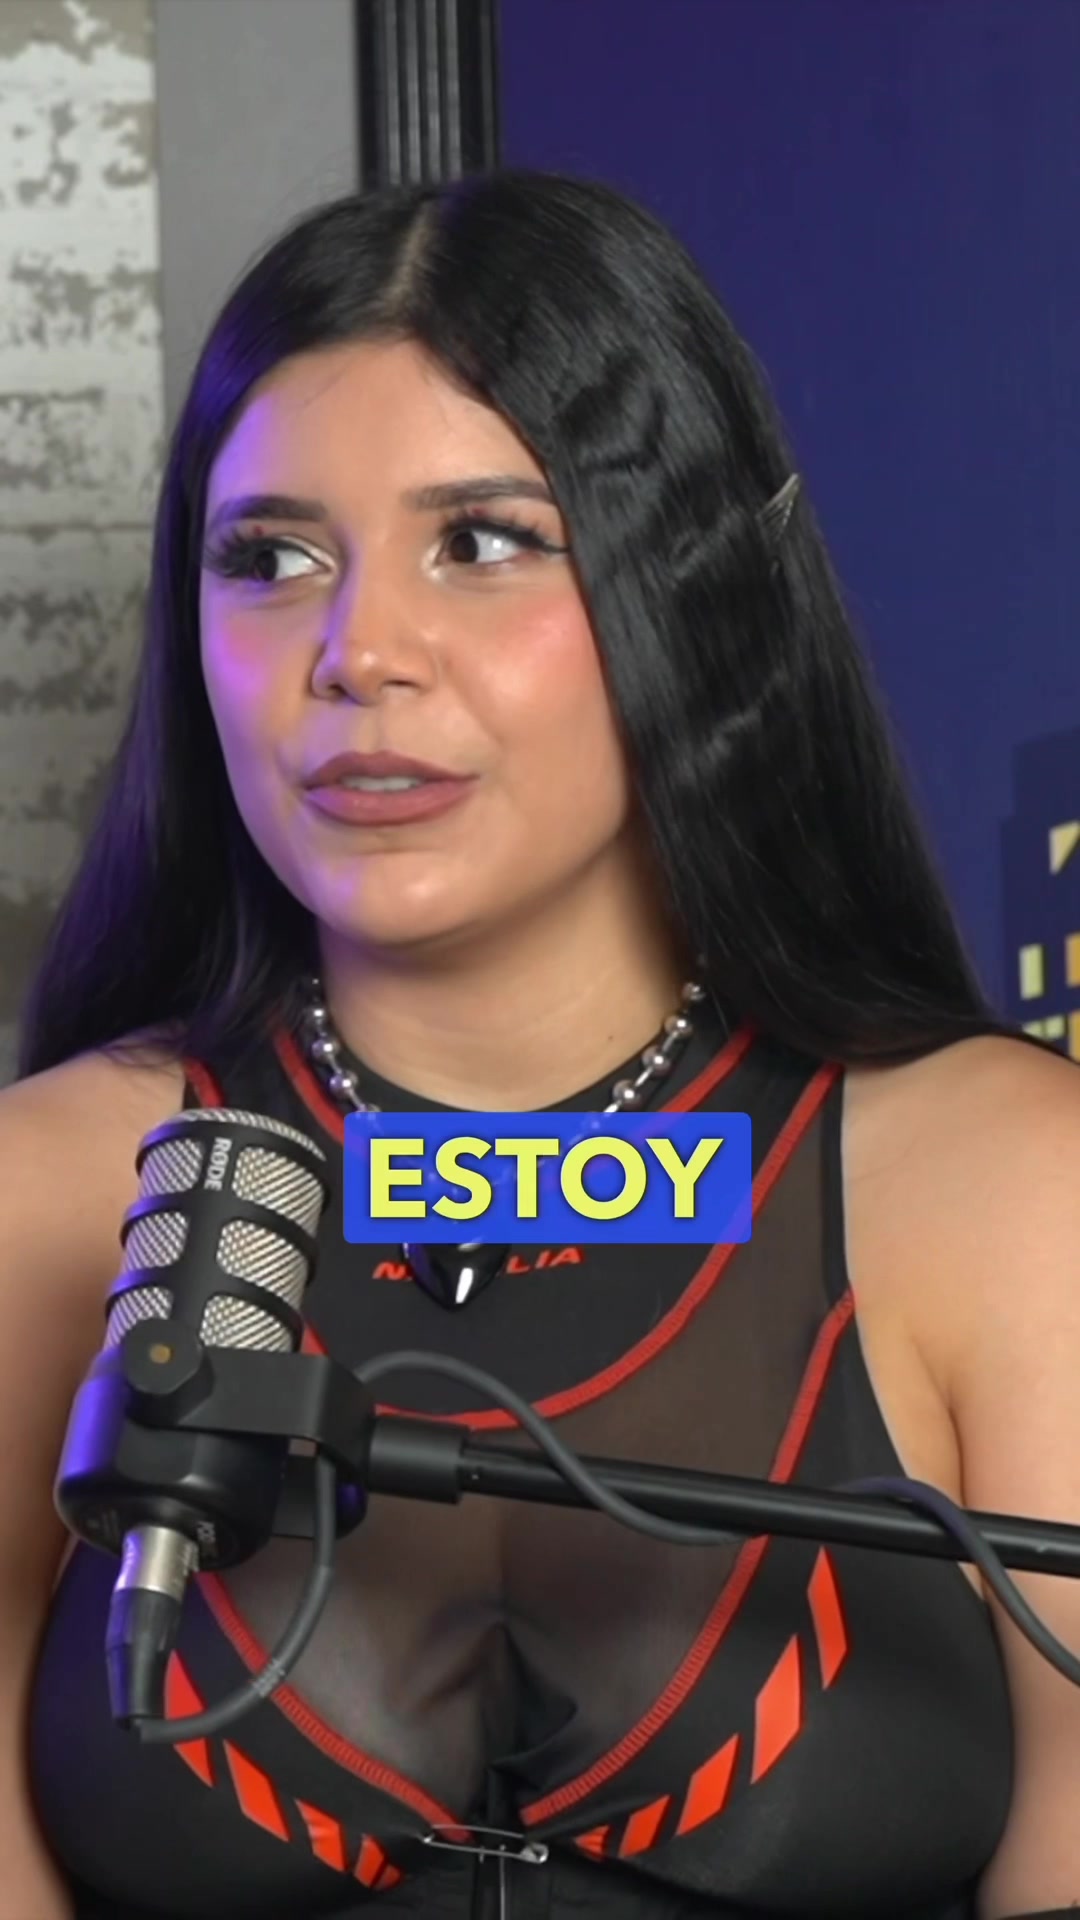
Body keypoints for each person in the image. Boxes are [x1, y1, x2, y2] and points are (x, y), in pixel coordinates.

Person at [5, 168, 1079, 1920]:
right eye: (269, 558)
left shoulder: (1007, 1190)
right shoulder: (42, 1206)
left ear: (696, 587)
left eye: (484, 540)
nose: (358, 654)